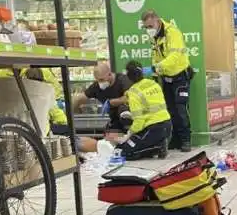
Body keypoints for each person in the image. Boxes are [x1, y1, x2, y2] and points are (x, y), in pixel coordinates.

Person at [142, 9, 193, 153]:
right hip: (166, 77)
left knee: (181, 109)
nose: (148, 30)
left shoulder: (172, 33)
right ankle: (174, 140)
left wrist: (157, 67)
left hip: (180, 76)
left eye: (150, 26)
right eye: (146, 27)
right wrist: (154, 72)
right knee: (169, 110)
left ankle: (186, 140)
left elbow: (175, 56)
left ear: (157, 21)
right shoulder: (156, 36)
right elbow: (156, 55)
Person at [112, 61, 171, 161]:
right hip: (167, 126)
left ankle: (158, 147)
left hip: (153, 129)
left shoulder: (133, 92)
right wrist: (132, 115)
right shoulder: (154, 84)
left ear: (128, 76)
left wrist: (127, 135)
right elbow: (150, 110)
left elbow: (139, 122)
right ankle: (157, 145)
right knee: (129, 146)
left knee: (123, 152)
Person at [73, 62, 132, 136]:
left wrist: (110, 103)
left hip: (131, 120)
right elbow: (78, 99)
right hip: (114, 122)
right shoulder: (96, 86)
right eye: (97, 80)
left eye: (101, 79)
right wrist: (75, 113)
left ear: (110, 74)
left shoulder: (123, 80)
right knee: (109, 141)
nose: (100, 83)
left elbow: (129, 97)